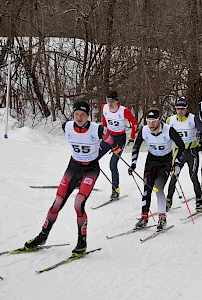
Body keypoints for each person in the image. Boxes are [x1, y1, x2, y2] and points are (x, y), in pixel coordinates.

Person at [24, 100, 121, 256]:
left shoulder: (98, 130)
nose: (79, 118)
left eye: (83, 115)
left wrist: (115, 148)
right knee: (57, 203)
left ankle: (82, 242)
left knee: (78, 203)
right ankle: (42, 236)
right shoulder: (67, 126)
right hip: (73, 167)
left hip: (90, 169)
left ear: (88, 116)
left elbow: (110, 139)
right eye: (76, 114)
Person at [128, 108, 185, 230]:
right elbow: (136, 146)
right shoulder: (144, 130)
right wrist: (133, 164)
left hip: (165, 162)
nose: (151, 124)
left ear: (159, 120)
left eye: (153, 121)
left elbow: (181, 146)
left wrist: (177, 163)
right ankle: (144, 218)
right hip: (151, 161)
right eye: (148, 121)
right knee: (146, 189)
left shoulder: (168, 130)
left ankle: (162, 218)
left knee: (158, 189)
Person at [165, 97, 202, 212]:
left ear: (186, 109)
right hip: (178, 153)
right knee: (174, 177)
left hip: (191, 153)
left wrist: (201, 144)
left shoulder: (193, 119)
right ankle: (168, 200)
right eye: (178, 109)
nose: (180, 111)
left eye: (182, 109)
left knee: (193, 177)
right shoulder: (171, 120)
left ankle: (199, 201)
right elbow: (165, 135)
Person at [98, 90, 138, 200]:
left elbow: (134, 123)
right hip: (108, 137)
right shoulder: (104, 107)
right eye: (107, 100)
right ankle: (82, 181)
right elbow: (105, 118)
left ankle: (115, 190)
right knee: (93, 158)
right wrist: (104, 131)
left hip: (119, 140)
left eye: (111, 101)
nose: (109, 103)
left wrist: (133, 137)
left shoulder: (124, 111)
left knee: (112, 164)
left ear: (117, 101)